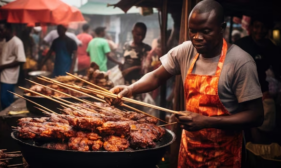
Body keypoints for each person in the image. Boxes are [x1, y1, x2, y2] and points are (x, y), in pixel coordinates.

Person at [108, 1, 264, 167]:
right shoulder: (186, 50)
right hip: (190, 150)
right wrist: (130, 89)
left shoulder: (240, 62)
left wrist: (207, 121)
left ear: (222, 27)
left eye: (205, 31)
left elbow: (256, 115)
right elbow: (156, 77)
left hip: (224, 155)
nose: (197, 37)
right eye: (192, 31)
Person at [235, 16, 280, 143]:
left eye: (263, 27)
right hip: (241, 94)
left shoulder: (272, 48)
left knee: (261, 130)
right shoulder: (241, 45)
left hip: (264, 97)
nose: (260, 30)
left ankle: (257, 155)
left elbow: (277, 73)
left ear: (268, 29)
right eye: (257, 26)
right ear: (251, 28)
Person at [0, 22, 26, 109]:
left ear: (8, 30)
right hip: (3, 75)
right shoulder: (4, 41)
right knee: (7, 99)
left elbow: (21, 60)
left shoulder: (17, 42)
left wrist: (3, 67)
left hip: (10, 76)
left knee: (4, 100)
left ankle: (7, 118)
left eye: (1, 30)